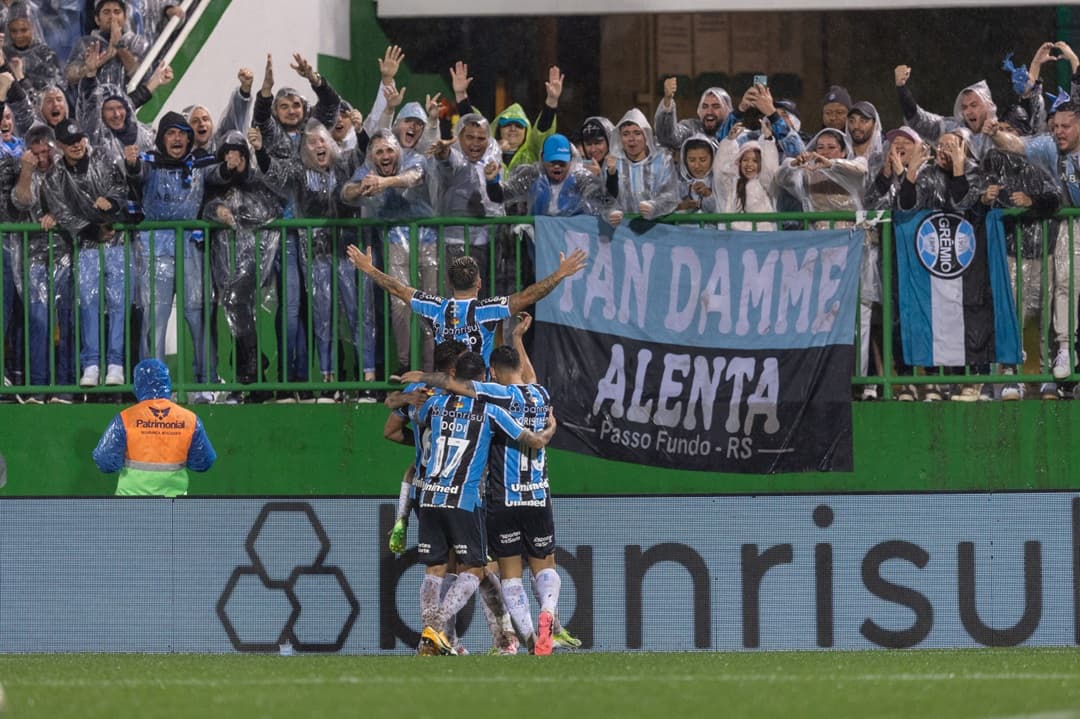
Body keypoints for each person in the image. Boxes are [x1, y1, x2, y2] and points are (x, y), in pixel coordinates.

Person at [402, 313, 577, 654]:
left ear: (492, 373)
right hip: (524, 494)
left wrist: (421, 379)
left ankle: (513, 637)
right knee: (525, 566)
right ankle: (542, 619)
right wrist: (550, 430)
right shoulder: (531, 396)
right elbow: (528, 388)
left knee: (491, 574)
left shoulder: (457, 403)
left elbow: (446, 395)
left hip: (471, 496)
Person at [344, 247, 587, 367]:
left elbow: (398, 289)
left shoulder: (435, 308)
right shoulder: (487, 310)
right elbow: (529, 295)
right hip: (480, 394)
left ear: (449, 284)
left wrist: (369, 269)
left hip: (445, 393)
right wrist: (559, 274)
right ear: (479, 283)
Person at [125, 111, 218, 402]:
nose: (177, 139)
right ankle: (153, 392)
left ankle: (206, 385)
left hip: (191, 246)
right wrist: (131, 164)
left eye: (182, 133)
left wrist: (231, 166)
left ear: (189, 138)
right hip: (155, 246)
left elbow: (221, 175)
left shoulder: (200, 163)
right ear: (162, 139)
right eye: (171, 133)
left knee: (197, 314)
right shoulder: (150, 163)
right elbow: (136, 173)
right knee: (155, 319)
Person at [39, 119, 127, 387]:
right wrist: (92, 230)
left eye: (79, 139)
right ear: (60, 145)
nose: (76, 145)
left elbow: (121, 188)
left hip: (117, 243)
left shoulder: (103, 159)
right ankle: (91, 365)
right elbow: (62, 212)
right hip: (87, 246)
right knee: (89, 306)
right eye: (70, 142)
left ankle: (116, 364)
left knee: (118, 305)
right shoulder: (54, 177)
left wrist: (112, 203)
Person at [92, 358, 215, 496]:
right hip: (173, 503)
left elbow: (104, 461)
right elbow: (204, 462)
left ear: (137, 383)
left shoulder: (125, 418)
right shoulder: (190, 419)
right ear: (167, 382)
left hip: (130, 503)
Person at [483, 133, 608, 218]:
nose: (557, 166)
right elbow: (499, 196)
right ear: (542, 158)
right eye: (552, 162)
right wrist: (492, 181)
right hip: (539, 243)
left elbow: (605, 202)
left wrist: (613, 211)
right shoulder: (531, 176)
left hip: (573, 243)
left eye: (562, 162)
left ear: (571, 159)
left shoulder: (581, 178)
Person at [607, 108, 679, 225]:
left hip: (658, 229)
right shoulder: (613, 162)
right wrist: (609, 211)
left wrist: (654, 206)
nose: (631, 139)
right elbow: (603, 197)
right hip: (623, 231)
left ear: (646, 136)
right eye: (626, 134)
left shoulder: (662, 159)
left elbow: (671, 196)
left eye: (637, 133)